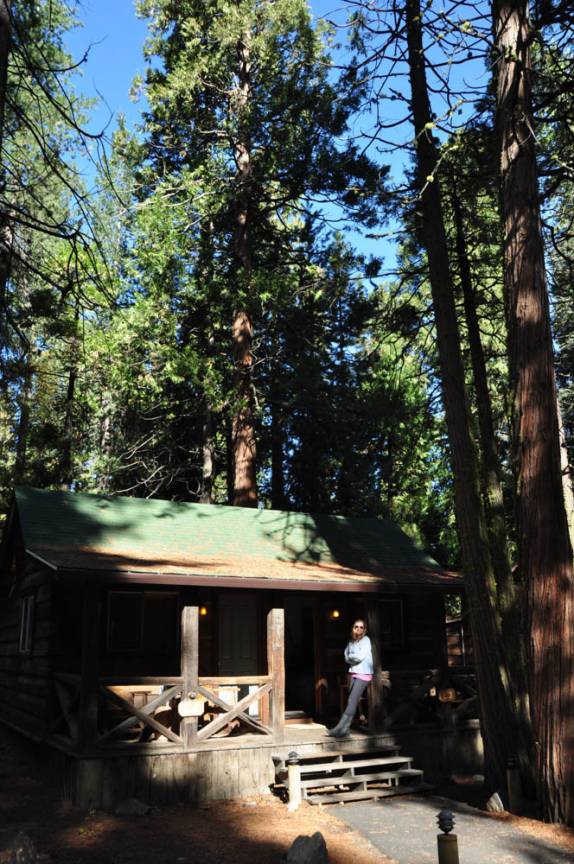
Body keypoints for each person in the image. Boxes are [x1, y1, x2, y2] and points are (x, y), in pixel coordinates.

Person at [326, 618, 373, 738]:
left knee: (352, 700)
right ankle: (345, 730)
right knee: (351, 701)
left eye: (361, 627)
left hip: (364, 674)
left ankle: (338, 729)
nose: (358, 629)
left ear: (364, 630)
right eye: (356, 626)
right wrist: (351, 657)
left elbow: (360, 657)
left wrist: (351, 657)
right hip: (353, 673)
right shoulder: (351, 641)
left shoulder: (366, 640)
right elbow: (345, 656)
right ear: (353, 628)